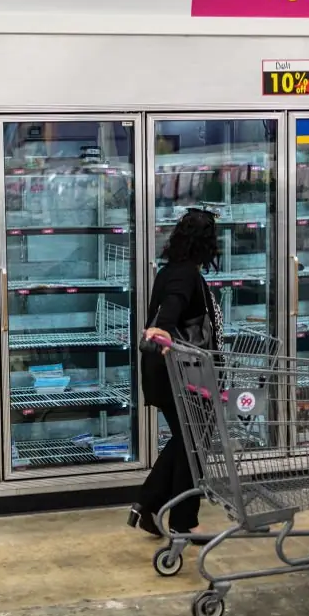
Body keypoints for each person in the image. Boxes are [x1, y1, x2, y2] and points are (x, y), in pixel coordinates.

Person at [127, 208, 223, 538]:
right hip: (181, 375)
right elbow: (171, 308)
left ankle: (149, 504)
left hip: (172, 372)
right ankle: (183, 521)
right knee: (193, 445)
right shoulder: (184, 275)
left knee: (187, 441)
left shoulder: (173, 270)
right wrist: (163, 331)